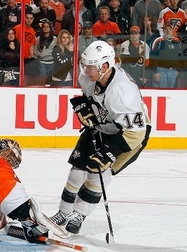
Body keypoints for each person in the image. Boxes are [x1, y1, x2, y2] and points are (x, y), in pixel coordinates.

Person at [49, 40, 151, 235]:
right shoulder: (89, 75)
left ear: (105, 66)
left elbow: (135, 133)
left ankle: (79, 214)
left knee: (98, 172)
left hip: (127, 134)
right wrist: (83, 106)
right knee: (77, 170)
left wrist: (109, 152)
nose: (85, 70)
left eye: (90, 67)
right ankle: (63, 212)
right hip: (102, 125)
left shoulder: (122, 92)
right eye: (84, 65)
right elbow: (87, 95)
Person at [150, 21, 183, 88]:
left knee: (170, 94)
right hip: (161, 70)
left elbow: (180, 56)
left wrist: (178, 70)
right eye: (166, 29)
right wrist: (154, 72)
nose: (168, 31)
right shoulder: (159, 41)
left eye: (170, 29)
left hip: (173, 71)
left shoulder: (177, 41)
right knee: (160, 93)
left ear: (173, 30)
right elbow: (152, 57)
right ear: (163, 30)